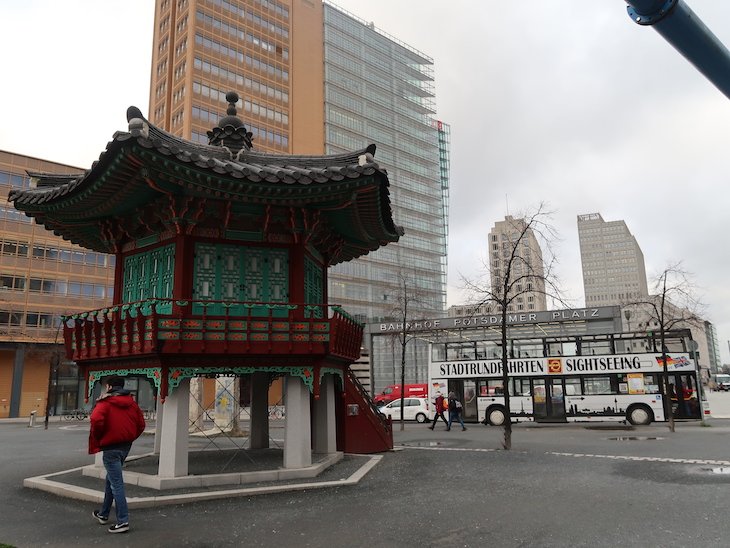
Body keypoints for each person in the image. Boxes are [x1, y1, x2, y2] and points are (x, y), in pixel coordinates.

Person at [89, 376, 146, 534]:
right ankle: (104, 514)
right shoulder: (132, 403)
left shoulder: (105, 403)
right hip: (125, 447)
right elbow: (141, 424)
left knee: (116, 484)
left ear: (108, 387)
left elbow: (95, 419)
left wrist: (100, 437)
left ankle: (123, 521)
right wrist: (130, 436)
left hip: (110, 448)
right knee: (111, 479)